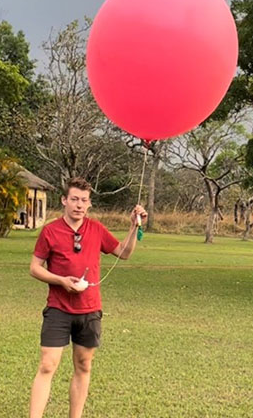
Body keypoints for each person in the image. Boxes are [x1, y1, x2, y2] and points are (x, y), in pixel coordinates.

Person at [28, 177, 147, 418]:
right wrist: (61, 281)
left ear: (89, 203)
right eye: (74, 199)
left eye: (84, 200)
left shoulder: (96, 229)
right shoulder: (50, 231)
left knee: (83, 365)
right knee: (47, 365)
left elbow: (123, 253)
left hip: (89, 309)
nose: (79, 205)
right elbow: (35, 268)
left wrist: (134, 228)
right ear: (64, 200)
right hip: (58, 309)